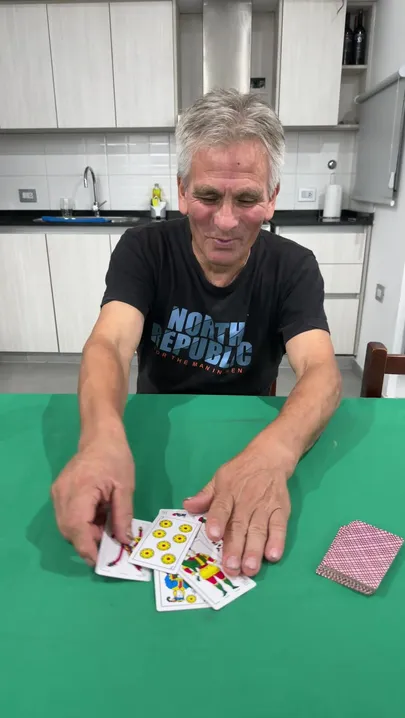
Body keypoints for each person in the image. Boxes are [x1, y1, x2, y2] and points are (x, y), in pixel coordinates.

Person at [51, 89, 341, 577]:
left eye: (246, 199)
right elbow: (111, 343)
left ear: (272, 199)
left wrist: (274, 455)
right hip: (149, 426)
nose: (225, 221)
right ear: (182, 191)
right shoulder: (143, 249)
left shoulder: (293, 267)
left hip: (251, 434)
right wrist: (99, 438)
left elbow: (322, 371)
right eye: (207, 196)